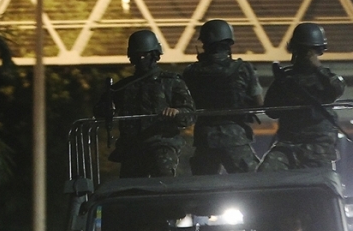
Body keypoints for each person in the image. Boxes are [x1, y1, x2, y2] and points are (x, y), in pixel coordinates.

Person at [94, 29, 195, 178]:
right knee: (131, 188)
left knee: (163, 179)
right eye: (137, 56)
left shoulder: (171, 82)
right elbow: (100, 111)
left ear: (154, 55)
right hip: (132, 147)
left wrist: (177, 112)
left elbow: (190, 114)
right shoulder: (123, 87)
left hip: (162, 144)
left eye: (144, 55)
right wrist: (107, 109)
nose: (141, 60)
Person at [258, 22, 347, 171]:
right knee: (265, 174)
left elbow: (338, 89)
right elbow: (271, 111)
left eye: (310, 52)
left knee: (318, 182)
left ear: (318, 52)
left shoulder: (325, 78)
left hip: (318, 145)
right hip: (288, 143)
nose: (305, 56)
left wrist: (318, 68)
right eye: (302, 51)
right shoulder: (286, 79)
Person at [181, 19, 264, 175]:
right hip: (235, 136)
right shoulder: (243, 69)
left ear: (204, 44)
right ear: (228, 43)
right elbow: (259, 103)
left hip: (205, 137)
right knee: (251, 181)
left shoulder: (191, 72)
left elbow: (186, 104)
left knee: (203, 183)